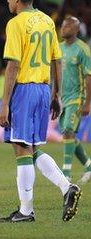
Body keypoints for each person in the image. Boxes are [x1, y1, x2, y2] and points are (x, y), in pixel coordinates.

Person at [0, 0, 81, 222]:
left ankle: (26, 210)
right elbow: (57, 59)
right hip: (43, 90)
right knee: (32, 148)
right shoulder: (47, 21)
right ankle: (66, 188)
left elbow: (13, 65)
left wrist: (4, 104)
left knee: (21, 148)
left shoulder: (16, 23)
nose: (7, 1)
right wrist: (56, 94)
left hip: (24, 89)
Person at [59, 16, 91, 183]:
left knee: (68, 130)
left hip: (77, 97)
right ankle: (89, 165)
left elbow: (88, 76)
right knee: (67, 133)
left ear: (76, 29)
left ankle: (66, 173)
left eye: (67, 27)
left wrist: (87, 103)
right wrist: (54, 94)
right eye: (62, 26)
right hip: (62, 98)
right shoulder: (58, 48)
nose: (63, 29)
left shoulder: (82, 49)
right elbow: (55, 74)